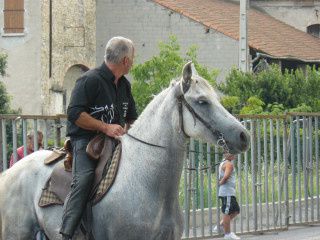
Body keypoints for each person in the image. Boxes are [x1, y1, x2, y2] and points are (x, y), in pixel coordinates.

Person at [60, 36, 138, 240]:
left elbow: (131, 118)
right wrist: (105, 127)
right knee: (84, 178)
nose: (133, 62)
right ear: (125, 61)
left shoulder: (124, 86)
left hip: (117, 143)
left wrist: (130, 132)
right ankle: (67, 232)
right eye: (133, 58)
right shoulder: (89, 80)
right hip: (86, 143)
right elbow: (74, 114)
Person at [214, 153, 241, 240]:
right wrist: (221, 183)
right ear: (227, 154)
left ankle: (221, 226)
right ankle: (227, 234)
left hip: (229, 192)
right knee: (227, 212)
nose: (235, 155)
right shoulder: (228, 164)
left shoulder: (224, 163)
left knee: (236, 210)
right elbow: (226, 176)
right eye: (233, 153)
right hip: (227, 192)